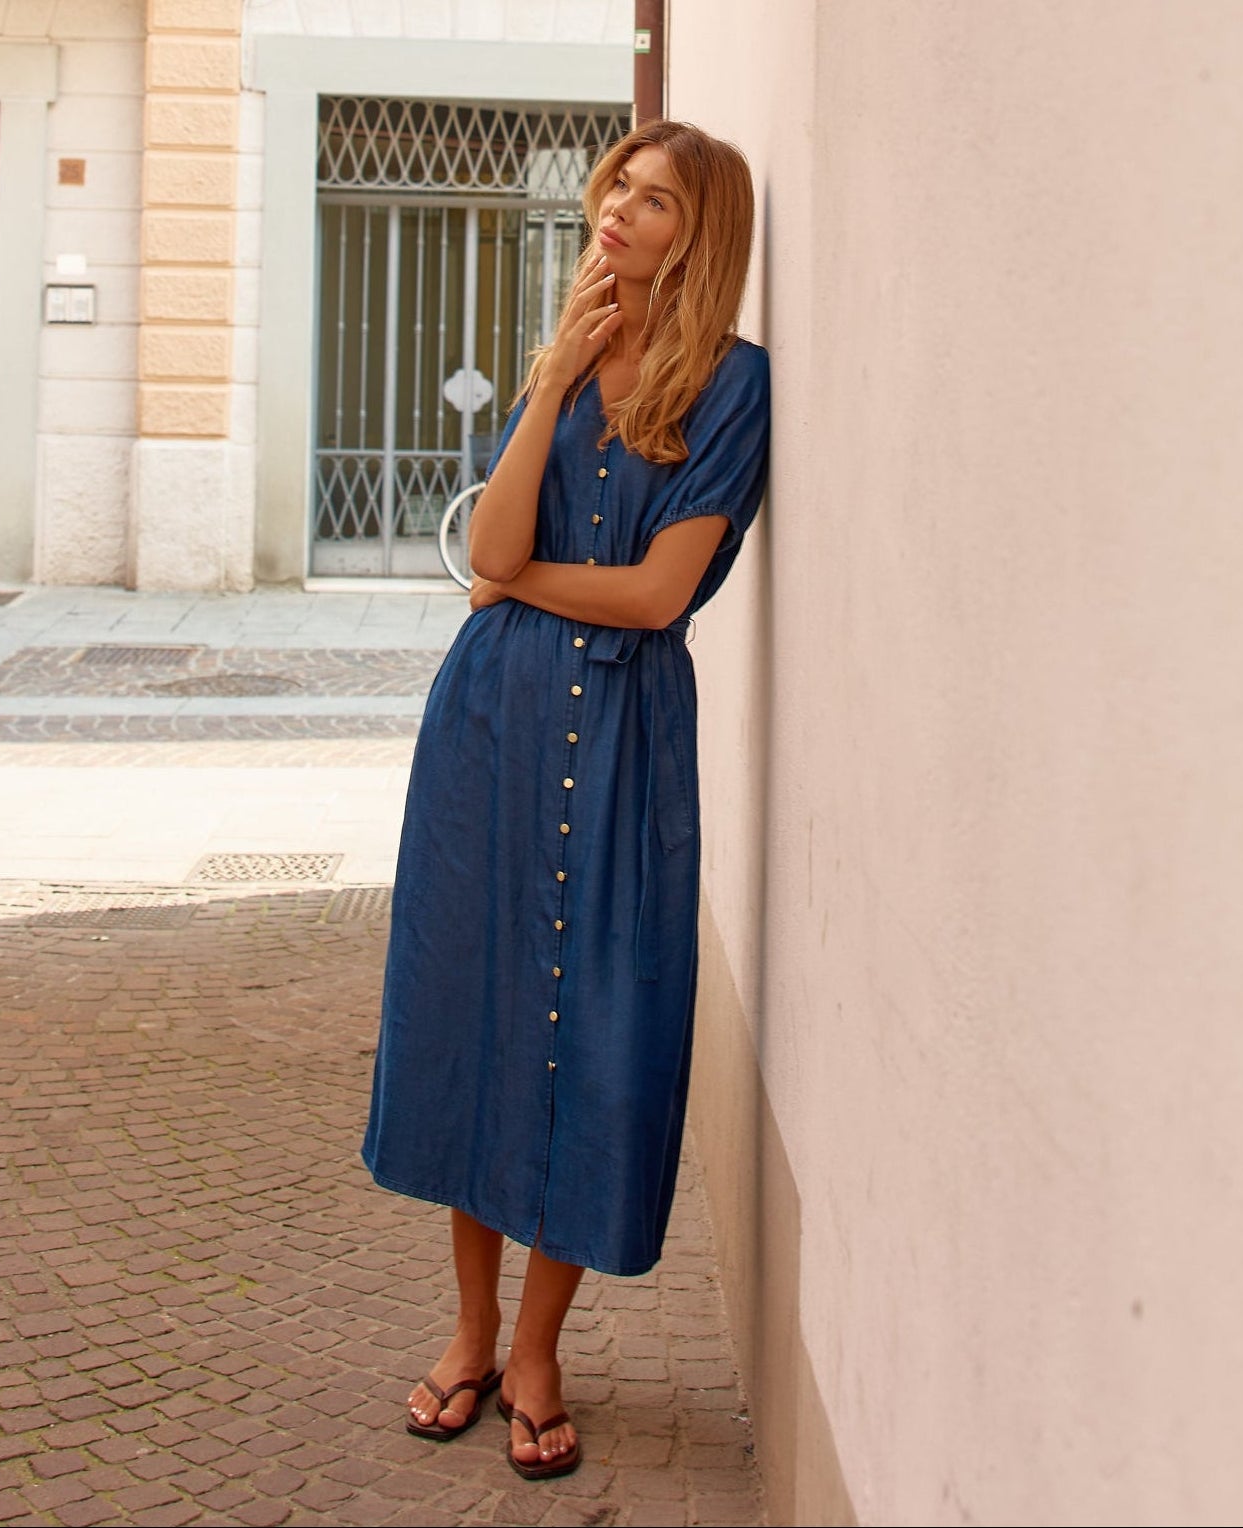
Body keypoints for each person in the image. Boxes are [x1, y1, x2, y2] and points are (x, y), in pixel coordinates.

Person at [361, 118, 771, 1482]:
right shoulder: (569, 357)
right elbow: (486, 535)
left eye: (655, 202)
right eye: (619, 188)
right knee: (480, 1013)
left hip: (626, 732)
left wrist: (515, 583)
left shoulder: (735, 385)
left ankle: (538, 1349)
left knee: (590, 1027)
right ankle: (472, 1334)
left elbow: (653, 596)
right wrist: (549, 384)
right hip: (493, 723)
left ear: (699, 234)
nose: (620, 212)